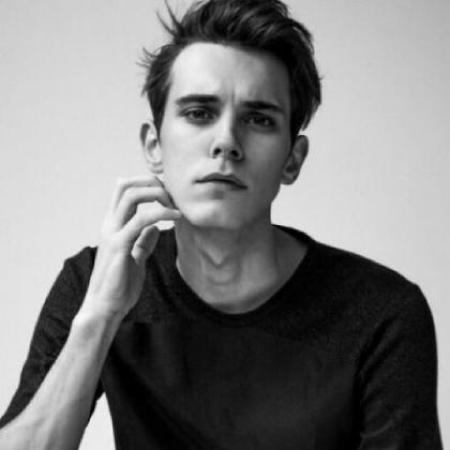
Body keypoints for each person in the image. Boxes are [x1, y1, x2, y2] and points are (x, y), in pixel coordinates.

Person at [0, 0, 443, 448]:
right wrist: (100, 317)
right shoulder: (96, 283)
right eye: (199, 113)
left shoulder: (382, 313)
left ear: (293, 160)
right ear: (154, 146)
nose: (226, 142)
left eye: (258, 119)